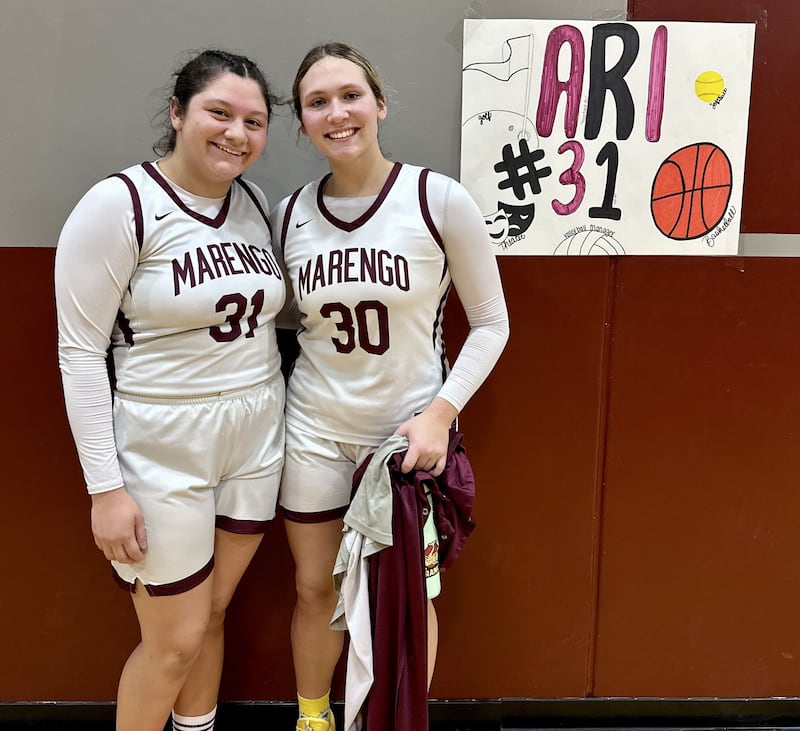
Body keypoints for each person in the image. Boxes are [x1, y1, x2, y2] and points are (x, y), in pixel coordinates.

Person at [270, 42, 510, 731]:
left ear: (380, 104)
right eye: (317, 102)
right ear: (303, 121)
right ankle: (313, 717)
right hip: (314, 432)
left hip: (403, 441)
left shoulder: (437, 199)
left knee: (404, 596)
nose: (336, 113)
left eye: (350, 95)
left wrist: (440, 414)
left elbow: (491, 323)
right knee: (315, 588)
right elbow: (291, 325)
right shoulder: (289, 216)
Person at [55, 49, 285, 731]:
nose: (237, 133)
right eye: (219, 112)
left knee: (211, 613)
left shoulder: (253, 202)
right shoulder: (118, 203)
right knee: (173, 640)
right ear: (178, 113)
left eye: (254, 120)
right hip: (163, 445)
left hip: (255, 435)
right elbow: (79, 352)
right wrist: (105, 486)